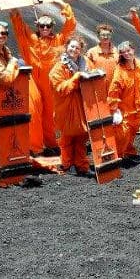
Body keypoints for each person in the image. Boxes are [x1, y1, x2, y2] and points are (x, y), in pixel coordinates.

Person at [9, 1, 77, 155]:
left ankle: (53, 144)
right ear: (37, 26)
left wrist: (60, 4)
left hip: (51, 85)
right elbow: (19, 28)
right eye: (41, 26)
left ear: (52, 26)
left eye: (48, 26)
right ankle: (35, 147)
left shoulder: (59, 40)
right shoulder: (31, 39)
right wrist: (14, 9)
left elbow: (71, 24)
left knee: (51, 115)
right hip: (33, 82)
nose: (45, 28)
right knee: (33, 113)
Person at [49, 36, 91, 175]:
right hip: (65, 107)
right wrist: (75, 78)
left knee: (81, 137)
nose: (74, 49)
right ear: (66, 47)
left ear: (81, 50)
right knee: (66, 138)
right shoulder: (59, 67)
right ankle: (67, 165)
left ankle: (81, 165)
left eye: (77, 48)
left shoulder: (84, 64)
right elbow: (60, 88)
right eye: (72, 46)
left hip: (81, 106)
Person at [108, 41, 140, 160]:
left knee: (132, 132)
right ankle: (117, 156)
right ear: (121, 55)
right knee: (122, 134)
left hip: (138, 109)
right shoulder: (120, 69)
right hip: (125, 109)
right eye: (123, 52)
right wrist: (114, 109)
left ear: (133, 50)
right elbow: (114, 89)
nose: (127, 54)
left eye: (128, 51)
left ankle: (129, 153)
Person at [85, 23, 118, 102]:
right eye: (103, 35)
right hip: (96, 91)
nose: (106, 37)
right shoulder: (91, 52)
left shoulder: (117, 52)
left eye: (108, 35)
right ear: (98, 36)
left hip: (114, 90)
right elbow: (86, 70)